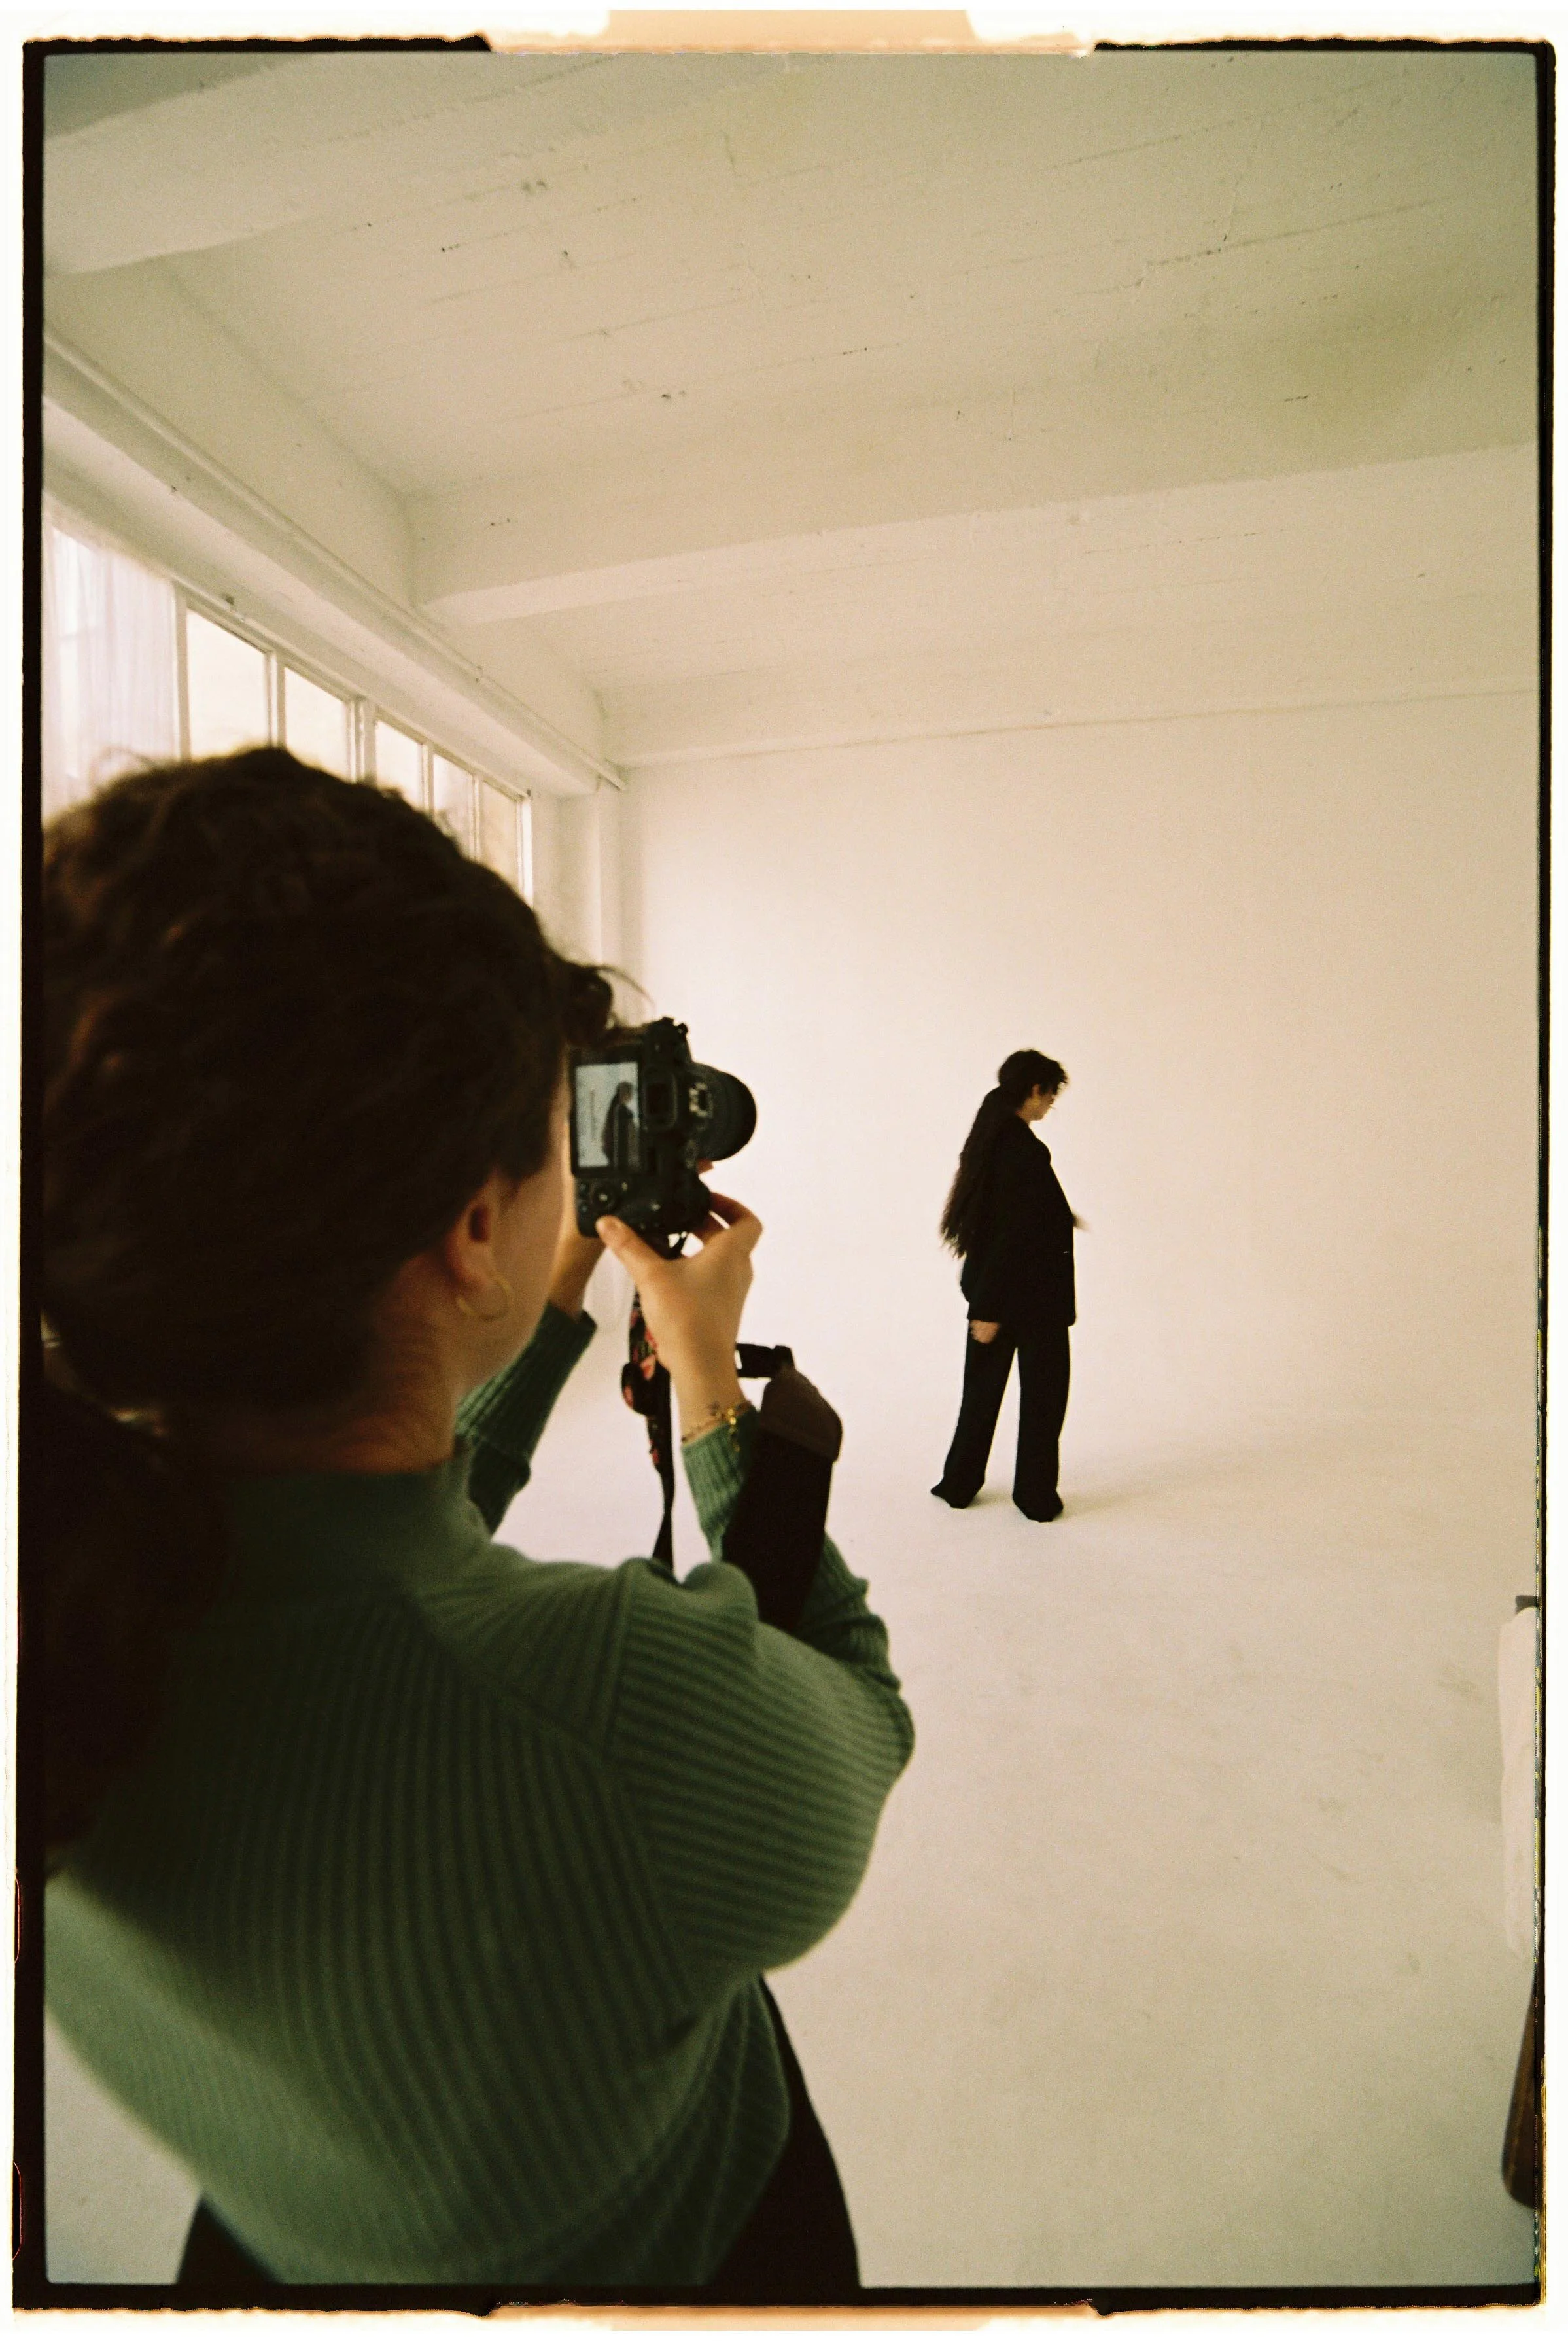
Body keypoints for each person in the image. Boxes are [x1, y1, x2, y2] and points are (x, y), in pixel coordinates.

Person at [37, 749, 914, 2298]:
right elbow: (847, 1709)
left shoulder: (63, 1594)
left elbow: (372, 1547)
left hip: (266, 2251)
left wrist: (544, 1296)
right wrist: (707, 1377)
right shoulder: (625, 1719)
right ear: (463, 1229)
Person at [931, 1049, 1077, 1523]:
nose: (1051, 1104)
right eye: (1051, 1094)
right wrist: (987, 1309)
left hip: (1001, 1293)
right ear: (1035, 1090)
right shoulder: (1020, 1149)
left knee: (980, 1394)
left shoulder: (995, 1139)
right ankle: (1034, 1496)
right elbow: (1005, 1232)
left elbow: (1013, 1220)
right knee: (1042, 1400)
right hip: (1027, 1301)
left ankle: (960, 1484)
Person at [601, 1078, 638, 1170]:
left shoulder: (614, 1108)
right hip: (623, 1157)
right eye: (631, 1093)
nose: (632, 1096)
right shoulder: (622, 1111)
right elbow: (631, 1136)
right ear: (626, 1094)